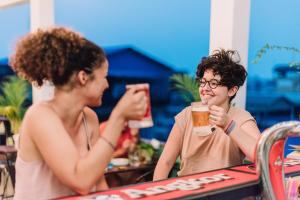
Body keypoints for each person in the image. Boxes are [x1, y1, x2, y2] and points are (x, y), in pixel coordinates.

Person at [10, 27, 147, 199]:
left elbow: (98, 184)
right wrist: (118, 118)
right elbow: (80, 181)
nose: (107, 85)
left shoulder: (89, 118)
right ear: (83, 77)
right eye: (104, 76)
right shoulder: (39, 116)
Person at [153, 49, 261, 180]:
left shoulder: (240, 118)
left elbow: (262, 156)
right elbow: (165, 162)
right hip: (187, 191)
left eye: (214, 83)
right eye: (203, 82)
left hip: (223, 192)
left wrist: (229, 126)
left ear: (232, 90)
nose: (205, 88)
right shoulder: (187, 115)